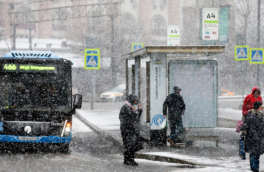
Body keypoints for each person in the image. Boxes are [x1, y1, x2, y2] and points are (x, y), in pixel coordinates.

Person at [119, 94, 145, 166]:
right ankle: (128, 160)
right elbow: (132, 117)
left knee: (132, 145)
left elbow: (135, 118)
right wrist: (137, 112)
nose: (136, 102)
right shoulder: (126, 107)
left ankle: (130, 159)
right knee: (129, 145)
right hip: (127, 130)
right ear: (132, 100)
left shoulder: (130, 107)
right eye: (135, 100)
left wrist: (139, 111)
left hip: (131, 130)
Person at [240, 101, 264, 172]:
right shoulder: (250, 115)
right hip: (252, 138)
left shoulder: (262, 116)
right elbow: (245, 125)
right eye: (261, 107)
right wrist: (243, 134)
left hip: (259, 138)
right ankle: (254, 169)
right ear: (257, 108)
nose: (262, 109)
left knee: (257, 154)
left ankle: (256, 168)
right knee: (253, 154)